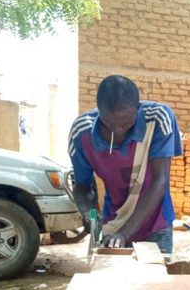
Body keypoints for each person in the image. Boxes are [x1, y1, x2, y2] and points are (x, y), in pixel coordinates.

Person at [68, 75, 183, 253]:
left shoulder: (158, 118)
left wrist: (124, 234)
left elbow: (160, 181)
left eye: (126, 122)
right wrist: (91, 217)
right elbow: (83, 188)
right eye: (109, 122)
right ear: (98, 110)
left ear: (138, 108)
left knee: (157, 276)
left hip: (155, 224)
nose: (118, 129)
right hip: (113, 222)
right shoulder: (82, 132)